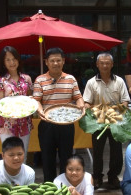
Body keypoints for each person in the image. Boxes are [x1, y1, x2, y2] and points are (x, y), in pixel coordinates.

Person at [33, 47, 85, 182]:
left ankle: (65, 187)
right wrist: (40, 111)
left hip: (66, 125)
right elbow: (36, 100)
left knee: (66, 159)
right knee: (47, 159)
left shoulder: (70, 79)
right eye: (52, 61)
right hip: (47, 124)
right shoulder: (40, 80)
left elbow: (78, 97)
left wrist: (81, 105)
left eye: (58, 60)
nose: (55, 63)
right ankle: (50, 187)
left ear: (63, 61)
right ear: (46, 62)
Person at [83, 52, 130, 189]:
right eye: (102, 63)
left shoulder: (119, 81)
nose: (105, 65)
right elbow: (86, 103)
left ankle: (113, 176)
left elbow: (125, 100)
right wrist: (99, 111)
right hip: (98, 123)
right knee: (97, 152)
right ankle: (97, 177)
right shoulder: (91, 82)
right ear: (97, 64)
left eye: (107, 63)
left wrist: (118, 111)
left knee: (116, 151)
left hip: (116, 121)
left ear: (112, 64)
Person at [0, 46, 33, 162]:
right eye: (8, 60)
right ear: (3, 62)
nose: (12, 62)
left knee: (22, 155)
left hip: (24, 122)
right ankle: (8, 180)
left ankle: (22, 180)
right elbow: (0, 104)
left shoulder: (26, 79)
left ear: (18, 60)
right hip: (7, 124)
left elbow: (30, 98)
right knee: (8, 155)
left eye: (14, 59)